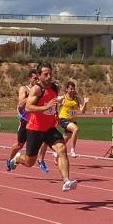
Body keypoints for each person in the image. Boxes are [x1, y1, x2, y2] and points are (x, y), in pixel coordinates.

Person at [9, 62, 78, 192]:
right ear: (39, 76)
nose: (49, 76)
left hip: (49, 128)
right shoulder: (36, 89)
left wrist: (55, 113)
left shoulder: (54, 87)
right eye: (46, 74)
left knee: (62, 148)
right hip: (35, 128)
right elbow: (28, 107)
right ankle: (18, 158)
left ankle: (66, 181)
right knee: (30, 162)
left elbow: (53, 104)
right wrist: (46, 107)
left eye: (50, 74)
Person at [6, 69, 50, 173]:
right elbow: (21, 103)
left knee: (45, 141)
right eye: (34, 78)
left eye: (37, 78)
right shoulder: (24, 89)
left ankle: (41, 160)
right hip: (25, 120)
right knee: (19, 144)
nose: (36, 80)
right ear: (29, 78)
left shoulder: (41, 89)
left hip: (37, 121)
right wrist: (31, 94)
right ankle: (10, 160)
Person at [56, 81, 89, 159]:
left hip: (72, 120)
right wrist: (56, 117)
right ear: (67, 89)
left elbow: (82, 111)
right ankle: (72, 150)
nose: (72, 91)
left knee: (65, 140)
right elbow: (55, 106)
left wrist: (85, 103)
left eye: (73, 89)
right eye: (71, 89)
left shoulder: (77, 99)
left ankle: (56, 155)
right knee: (76, 129)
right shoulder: (62, 98)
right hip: (63, 119)